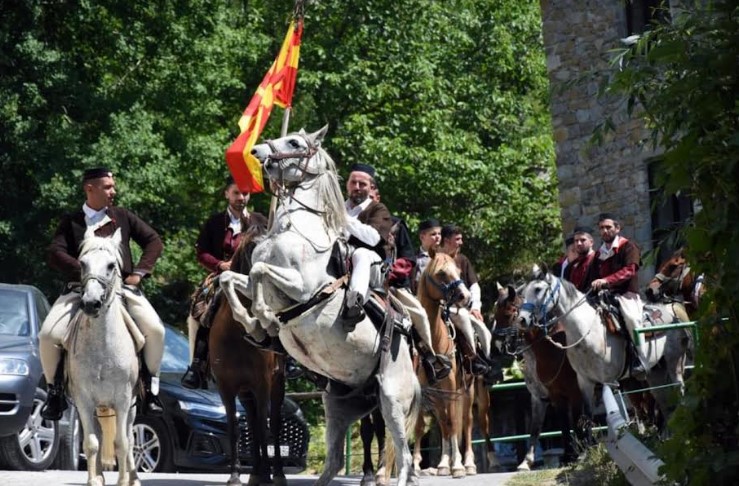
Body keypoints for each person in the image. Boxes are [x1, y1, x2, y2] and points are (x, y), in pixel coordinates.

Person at [39, 167, 165, 420]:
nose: (113, 192)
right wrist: (86, 271)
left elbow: (154, 241)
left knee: (156, 330)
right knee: (47, 334)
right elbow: (55, 252)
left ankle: (150, 389)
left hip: (121, 291)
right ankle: (55, 391)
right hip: (80, 291)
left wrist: (139, 272)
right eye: (108, 187)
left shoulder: (123, 216)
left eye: (112, 186)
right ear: (90, 189)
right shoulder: (71, 221)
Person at [181, 176, 269, 389]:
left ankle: (289, 359)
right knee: (206, 308)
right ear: (227, 194)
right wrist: (221, 265)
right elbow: (202, 253)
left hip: (254, 277)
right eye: (236, 193)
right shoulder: (215, 222)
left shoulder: (260, 221)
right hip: (223, 277)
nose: (241, 197)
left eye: (245, 193)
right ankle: (198, 364)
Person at [369, 184, 452, 383]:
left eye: (371, 196)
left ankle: (430, 358)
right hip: (359, 282)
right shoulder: (349, 222)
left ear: (377, 197)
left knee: (420, 315)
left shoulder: (396, 224)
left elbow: (407, 258)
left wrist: (388, 275)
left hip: (392, 285)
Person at [590, 213, 645, 377]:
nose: (605, 231)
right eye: (601, 228)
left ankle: (638, 357)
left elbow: (630, 270)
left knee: (632, 318)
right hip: (603, 296)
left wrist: (606, 280)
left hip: (626, 295)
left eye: (608, 227)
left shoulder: (629, 246)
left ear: (617, 228)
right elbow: (592, 277)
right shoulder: (598, 255)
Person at [439, 224, 495, 377]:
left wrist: (476, 307)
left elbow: (474, 286)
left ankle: (487, 366)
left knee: (484, 331)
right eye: (457, 239)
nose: (461, 242)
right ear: (447, 240)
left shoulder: (462, 259)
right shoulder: (436, 260)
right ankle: (472, 357)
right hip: (443, 308)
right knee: (463, 318)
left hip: (464, 308)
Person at [413, 218, 442, 293]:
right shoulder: (413, 258)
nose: (438, 237)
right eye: (433, 234)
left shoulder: (445, 257)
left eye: (439, 234)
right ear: (422, 237)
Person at [564, 226, 597, 292]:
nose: (579, 243)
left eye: (583, 240)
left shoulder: (598, 260)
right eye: (576, 240)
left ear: (591, 242)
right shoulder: (570, 266)